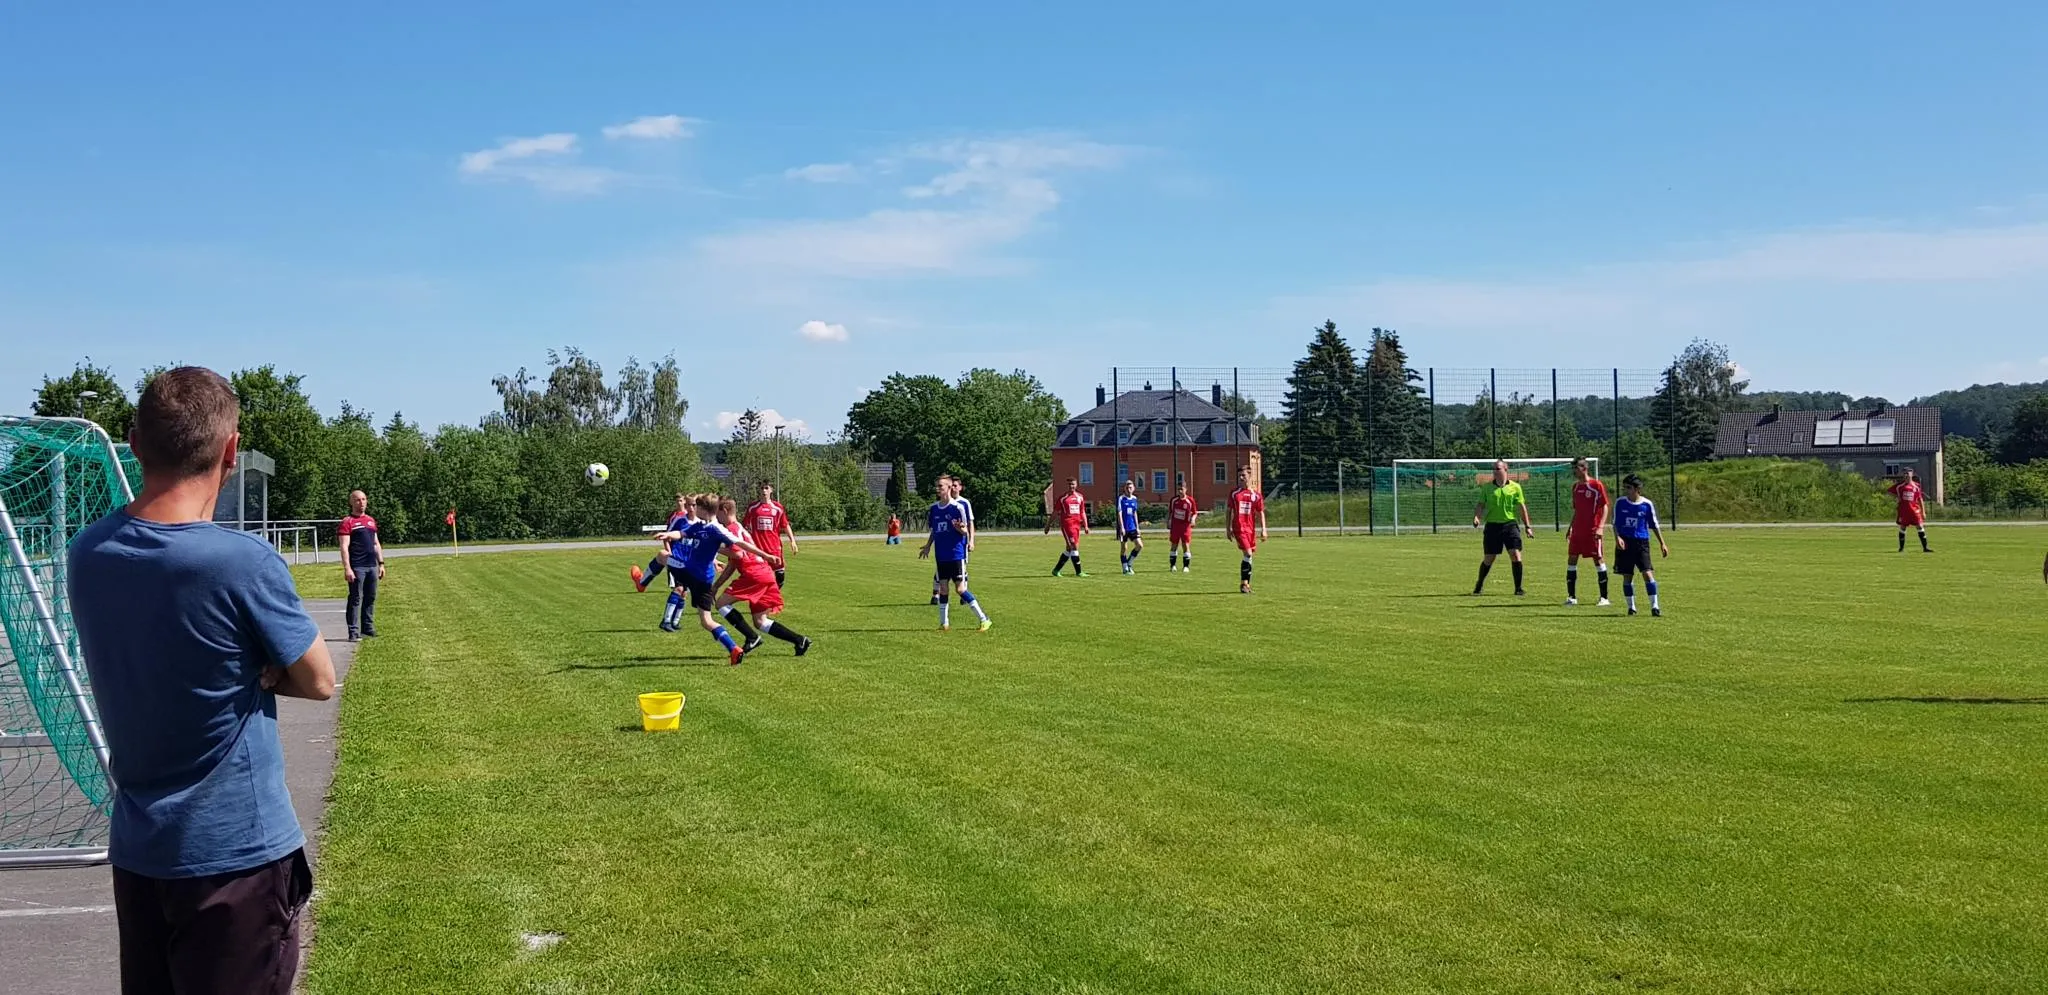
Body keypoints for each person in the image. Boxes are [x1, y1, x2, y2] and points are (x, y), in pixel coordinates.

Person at [68, 366, 336, 995]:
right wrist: (263, 671)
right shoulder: (240, 562)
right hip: (236, 855)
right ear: (231, 450)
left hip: (141, 852)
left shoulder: (89, 553)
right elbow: (319, 680)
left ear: (135, 444)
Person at [655, 494, 782, 665]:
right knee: (706, 621)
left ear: (703, 509)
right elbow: (682, 533)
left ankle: (642, 583)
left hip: (695, 576)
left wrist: (765, 555)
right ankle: (734, 649)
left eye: (697, 507)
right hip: (705, 581)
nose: (693, 509)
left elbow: (741, 545)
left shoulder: (717, 529)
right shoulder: (700, 525)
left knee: (662, 556)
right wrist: (668, 534)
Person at [713, 498, 811, 657]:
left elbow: (738, 554)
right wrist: (716, 586)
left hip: (754, 574)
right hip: (765, 573)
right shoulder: (739, 528)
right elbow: (732, 565)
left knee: (721, 604)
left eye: (717, 512)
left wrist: (716, 548)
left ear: (724, 511)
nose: (716, 516)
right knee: (760, 621)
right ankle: (800, 640)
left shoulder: (732, 529)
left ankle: (752, 637)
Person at [922, 481, 992, 631]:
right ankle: (944, 623)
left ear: (948, 488)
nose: (938, 488)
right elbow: (934, 530)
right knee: (943, 589)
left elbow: (965, 530)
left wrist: (961, 529)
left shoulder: (958, 507)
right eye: (937, 486)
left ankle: (984, 619)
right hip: (941, 555)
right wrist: (928, 546)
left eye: (941, 486)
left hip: (956, 554)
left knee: (960, 589)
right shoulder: (934, 509)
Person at [1471, 460, 1534, 596]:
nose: (1495, 471)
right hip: (1492, 526)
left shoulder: (1516, 487)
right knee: (1489, 558)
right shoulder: (1487, 488)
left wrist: (1528, 526)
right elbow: (1481, 504)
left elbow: (1522, 507)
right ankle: (1479, 584)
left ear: (1506, 470)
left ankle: (1518, 588)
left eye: (1497, 468)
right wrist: (1477, 517)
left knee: (1515, 554)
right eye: (1493, 469)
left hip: (1510, 525)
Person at [1613, 474, 1671, 616]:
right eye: (1625, 487)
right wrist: (1617, 538)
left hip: (1641, 543)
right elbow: (1615, 523)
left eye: (1629, 487)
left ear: (1637, 489)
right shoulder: (1620, 503)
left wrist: (1662, 543)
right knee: (1627, 575)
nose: (1626, 490)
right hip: (1625, 542)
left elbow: (1654, 525)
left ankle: (1655, 607)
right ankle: (1631, 607)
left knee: (1647, 573)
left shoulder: (1646, 504)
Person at [338, 489, 385, 639]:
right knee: (356, 598)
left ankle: (367, 628)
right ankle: (353, 631)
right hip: (357, 566)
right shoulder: (347, 522)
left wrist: (381, 563)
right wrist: (347, 568)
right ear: (351, 502)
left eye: (364, 499)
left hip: (372, 565)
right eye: (358, 500)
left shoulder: (370, 520)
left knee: (370, 597)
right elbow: (344, 546)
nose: (361, 503)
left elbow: (376, 543)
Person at [1563, 458, 1611, 606]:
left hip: (1592, 530)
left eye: (1576, 468)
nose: (1574, 471)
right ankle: (1572, 597)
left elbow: (1605, 507)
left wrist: (1601, 527)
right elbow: (1577, 510)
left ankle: (1604, 598)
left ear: (1584, 468)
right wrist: (1571, 527)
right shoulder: (1575, 487)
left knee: (1598, 559)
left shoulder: (1596, 485)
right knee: (1572, 559)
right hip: (1578, 531)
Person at [632, 493, 692, 592]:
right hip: (676, 551)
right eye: (677, 501)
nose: (679, 503)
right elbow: (667, 535)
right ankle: (642, 582)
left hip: (686, 554)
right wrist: (669, 550)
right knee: (663, 557)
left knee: (679, 586)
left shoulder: (694, 519)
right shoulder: (675, 516)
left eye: (681, 501)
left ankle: (642, 582)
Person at [745, 482, 798, 586]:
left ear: (771, 490)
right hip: (758, 549)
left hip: (774, 547)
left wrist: (793, 541)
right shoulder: (753, 508)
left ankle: (772, 593)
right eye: (762, 488)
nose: (764, 490)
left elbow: (785, 525)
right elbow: (745, 526)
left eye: (766, 488)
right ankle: (763, 594)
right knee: (757, 577)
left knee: (780, 577)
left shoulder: (778, 508)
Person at [1226, 466, 1268, 594]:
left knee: (1249, 556)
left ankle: (1246, 584)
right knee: (1248, 554)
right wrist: (1228, 528)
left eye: (1243, 475)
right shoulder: (1234, 494)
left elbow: (1260, 512)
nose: (1241, 478)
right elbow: (1229, 511)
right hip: (1239, 528)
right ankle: (1244, 584)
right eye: (1239, 475)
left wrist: (1264, 529)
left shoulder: (1256, 495)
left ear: (1250, 476)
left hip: (1251, 529)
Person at [1048, 477, 1091, 576]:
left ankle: (1056, 570)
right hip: (1067, 525)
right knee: (1074, 546)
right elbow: (1055, 512)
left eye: (1073, 484)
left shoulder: (1080, 497)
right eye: (1070, 484)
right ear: (1067, 485)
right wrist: (1048, 525)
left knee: (1069, 548)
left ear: (1076, 485)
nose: (1071, 486)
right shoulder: (1063, 498)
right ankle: (1079, 572)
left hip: (1076, 525)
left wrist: (1086, 526)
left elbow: (1082, 512)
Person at [1890, 468, 1931, 553]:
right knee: (1903, 527)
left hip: (1914, 511)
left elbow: (1920, 499)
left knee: (1920, 526)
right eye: (1904, 474)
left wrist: (1923, 512)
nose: (1906, 475)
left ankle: (1925, 548)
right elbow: (1890, 492)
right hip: (1904, 511)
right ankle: (1901, 548)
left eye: (1907, 474)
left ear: (1911, 475)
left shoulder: (1916, 486)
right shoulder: (1900, 486)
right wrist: (1897, 498)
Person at [1167, 482, 1199, 572]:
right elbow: (1170, 512)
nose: (1180, 491)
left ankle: (1186, 566)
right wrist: (1169, 521)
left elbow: (1195, 512)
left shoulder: (1190, 500)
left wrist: (1193, 519)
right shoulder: (1174, 500)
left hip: (1185, 526)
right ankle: (1173, 566)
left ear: (1186, 489)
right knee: (1174, 545)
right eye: (1178, 489)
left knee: (1185, 545)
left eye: (1181, 489)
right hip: (1175, 526)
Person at [1116, 479, 1145, 574]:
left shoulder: (1134, 499)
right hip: (1124, 528)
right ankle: (1125, 567)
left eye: (1130, 487)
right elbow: (1119, 513)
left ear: (1134, 488)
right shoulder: (1121, 499)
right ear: (1124, 489)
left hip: (1132, 527)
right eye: (1127, 488)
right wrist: (1122, 527)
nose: (1129, 489)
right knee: (1124, 548)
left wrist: (1137, 527)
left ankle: (1129, 563)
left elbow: (1134, 513)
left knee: (1139, 545)